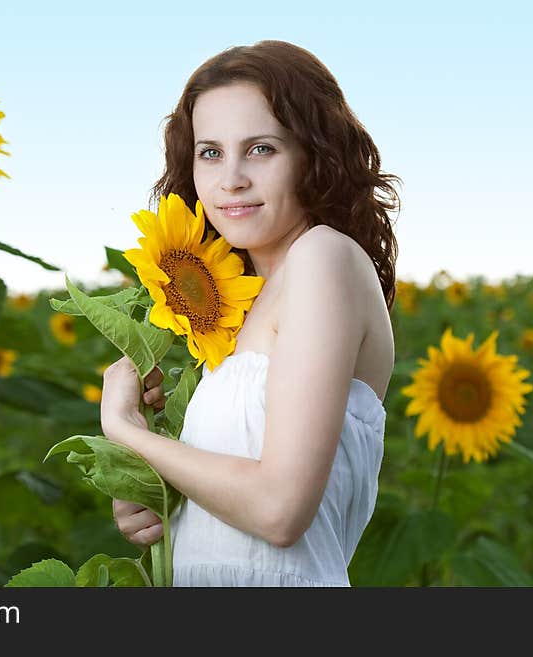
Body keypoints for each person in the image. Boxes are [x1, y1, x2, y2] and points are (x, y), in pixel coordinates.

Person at [100, 40, 400, 587]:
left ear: (315, 153)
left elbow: (278, 511)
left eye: (261, 149)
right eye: (209, 152)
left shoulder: (323, 257)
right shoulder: (238, 308)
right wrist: (150, 493)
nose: (230, 178)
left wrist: (127, 432)